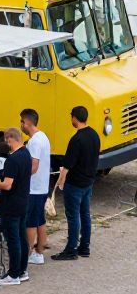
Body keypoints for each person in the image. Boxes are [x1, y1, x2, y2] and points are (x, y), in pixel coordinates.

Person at [52, 105, 101, 261]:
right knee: (85, 214)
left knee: (73, 217)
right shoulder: (94, 135)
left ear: (74, 118)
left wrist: (60, 182)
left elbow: (68, 164)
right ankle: (84, 246)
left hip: (75, 184)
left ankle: (71, 249)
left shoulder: (76, 139)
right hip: (88, 182)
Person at [0, 128, 32, 286]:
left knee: (13, 239)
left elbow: (7, 185)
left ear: (10, 139)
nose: (5, 144)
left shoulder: (12, 159)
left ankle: (13, 274)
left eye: (6, 140)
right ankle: (22, 271)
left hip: (11, 205)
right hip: (23, 201)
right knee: (22, 238)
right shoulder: (26, 154)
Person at [20, 108, 51, 265]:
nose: (21, 125)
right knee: (40, 220)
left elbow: (34, 165)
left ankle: (28, 252)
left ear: (28, 123)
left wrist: (21, 178)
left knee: (30, 222)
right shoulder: (43, 137)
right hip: (43, 186)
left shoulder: (34, 142)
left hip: (34, 188)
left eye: (22, 122)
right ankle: (40, 251)